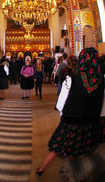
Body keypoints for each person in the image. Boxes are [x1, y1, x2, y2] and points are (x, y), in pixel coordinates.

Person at [36, 47, 104, 176]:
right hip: (91, 120)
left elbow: (65, 99)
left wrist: (62, 111)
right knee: (82, 146)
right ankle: (75, 169)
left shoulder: (75, 77)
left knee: (60, 144)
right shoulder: (101, 79)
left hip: (72, 119)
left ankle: (41, 168)